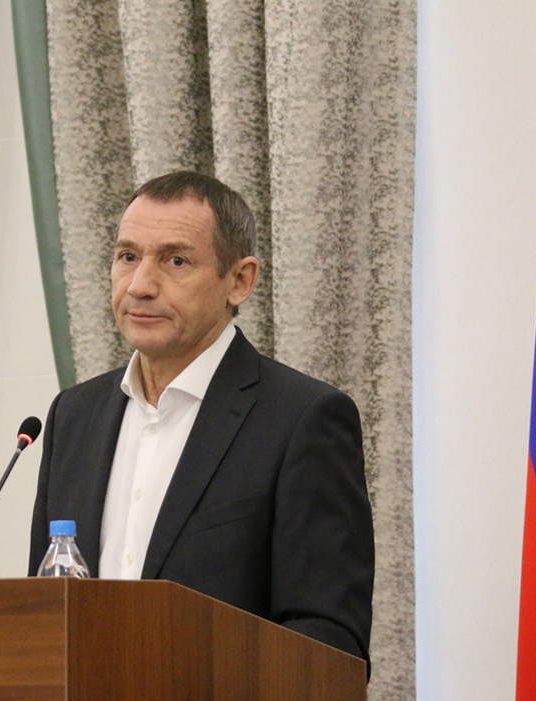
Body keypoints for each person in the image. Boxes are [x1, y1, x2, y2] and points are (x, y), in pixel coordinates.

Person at [29, 171, 374, 664]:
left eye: (176, 261)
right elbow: (43, 611)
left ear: (240, 281)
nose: (140, 286)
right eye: (128, 257)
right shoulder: (74, 416)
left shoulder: (302, 418)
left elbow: (328, 639)